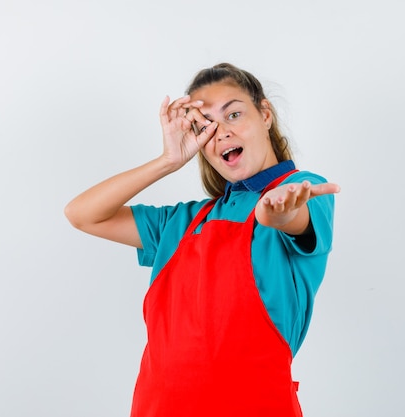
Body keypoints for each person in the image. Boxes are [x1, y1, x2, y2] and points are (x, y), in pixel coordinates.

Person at [65, 62, 340, 417]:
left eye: (234, 114)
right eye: (205, 125)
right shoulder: (179, 223)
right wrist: (167, 161)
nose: (221, 132)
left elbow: (292, 217)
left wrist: (279, 213)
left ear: (265, 115)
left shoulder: (302, 192)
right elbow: (82, 213)